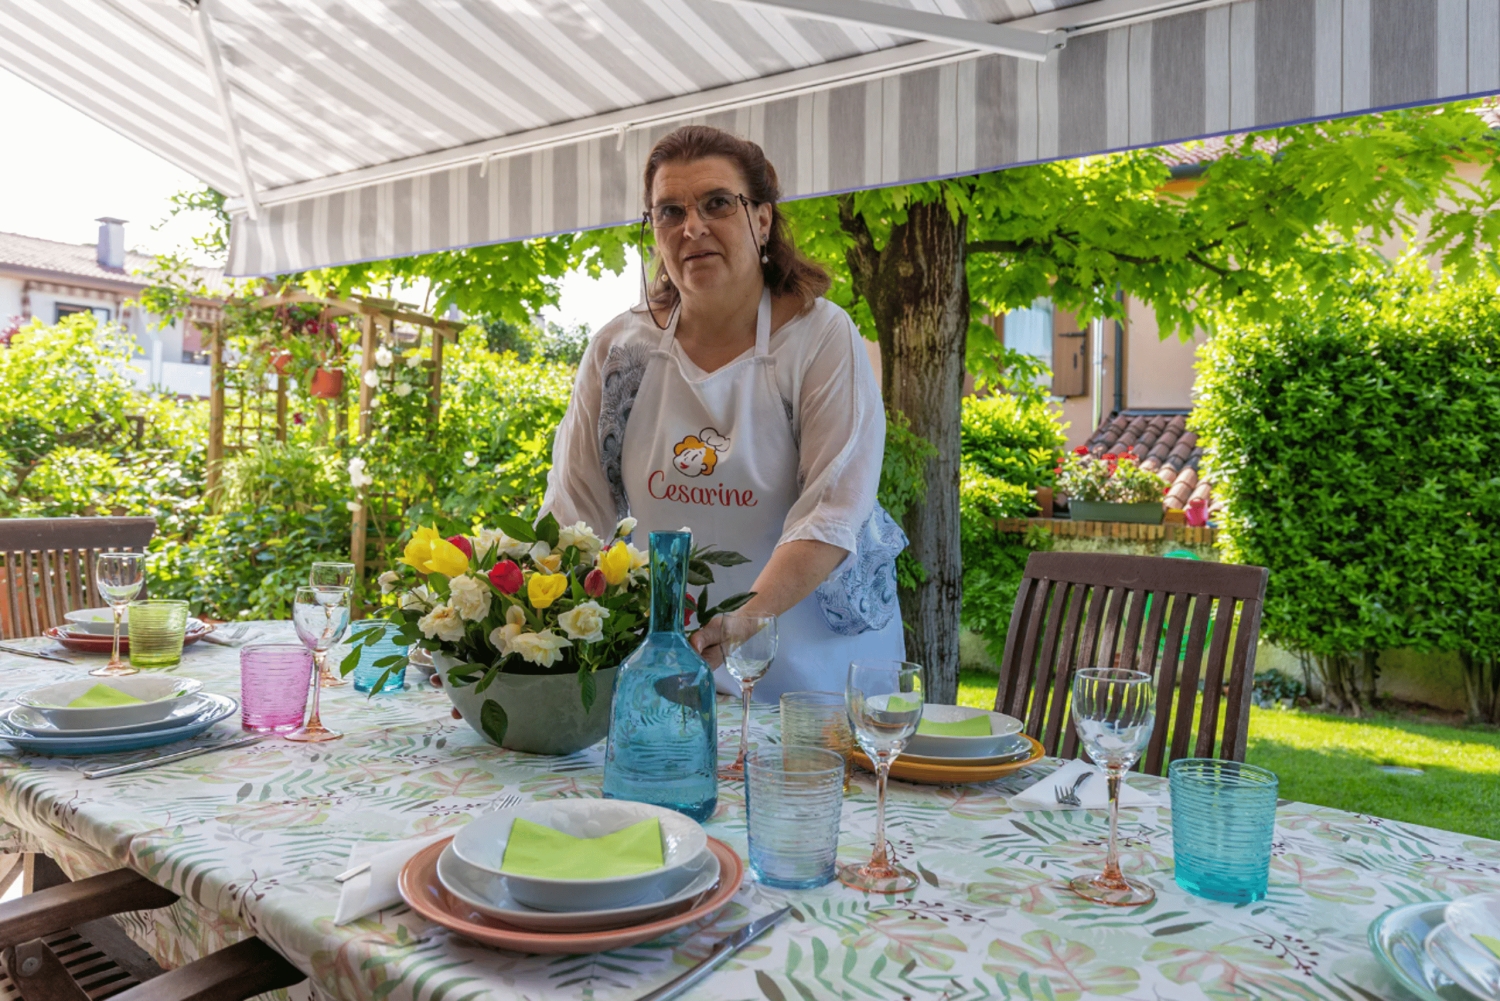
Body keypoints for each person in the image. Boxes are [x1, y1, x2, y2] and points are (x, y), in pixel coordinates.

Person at [542, 125, 906, 700]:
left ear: (762, 220)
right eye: (669, 211)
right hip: (672, 671)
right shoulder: (619, 350)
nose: (692, 227)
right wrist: (511, 638)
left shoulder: (820, 337)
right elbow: (573, 515)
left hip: (815, 675)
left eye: (717, 203)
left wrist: (745, 619)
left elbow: (834, 510)